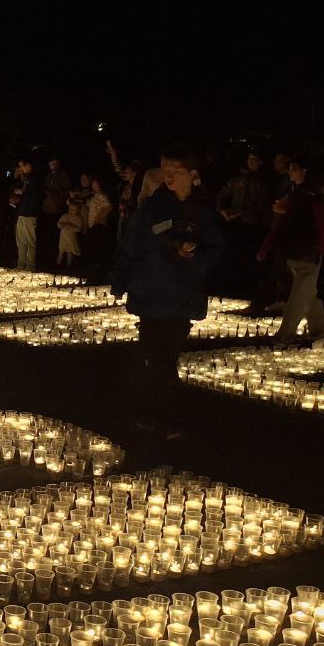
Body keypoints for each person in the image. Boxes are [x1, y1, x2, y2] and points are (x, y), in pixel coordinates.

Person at [111, 144, 223, 440]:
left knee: (164, 359)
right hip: (149, 294)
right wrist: (120, 280)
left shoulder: (203, 211)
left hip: (180, 298)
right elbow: (131, 243)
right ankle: (157, 415)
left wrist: (192, 256)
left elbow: (214, 251)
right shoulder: (153, 206)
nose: (169, 177)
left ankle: (163, 416)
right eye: (165, 171)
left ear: (193, 174)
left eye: (176, 171)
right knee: (154, 357)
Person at [257, 155, 324, 345]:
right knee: (300, 295)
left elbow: (281, 223)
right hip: (307, 253)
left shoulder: (297, 196)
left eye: (293, 168)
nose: (289, 172)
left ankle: (319, 327)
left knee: (307, 291)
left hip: (294, 251)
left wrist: (266, 247)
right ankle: (285, 334)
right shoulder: (311, 199)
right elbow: (322, 230)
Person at [13, 157, 43, 270]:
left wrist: (22, 193)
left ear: (28, 165)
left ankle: (30, 265)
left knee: (30, 240)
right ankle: (21, 264)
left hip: (30, 213)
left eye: (22, 166)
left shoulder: (35, 179)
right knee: (20, 240)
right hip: (22, 212)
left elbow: (35, 196)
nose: (20, 168)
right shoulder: (24, 178)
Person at [57, 200, 84, 268]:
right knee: (61, 251)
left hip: (71, 238)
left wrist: (71, 227)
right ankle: (58, 264)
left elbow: (79, 229)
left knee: (69, 252)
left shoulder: (78, 218)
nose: (71, 211)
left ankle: (69, 265)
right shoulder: (65, 216)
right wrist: (63, 225)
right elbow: (58, 224)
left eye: (74, 210)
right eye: (70, 209)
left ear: (77, 211)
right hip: (63, 237)